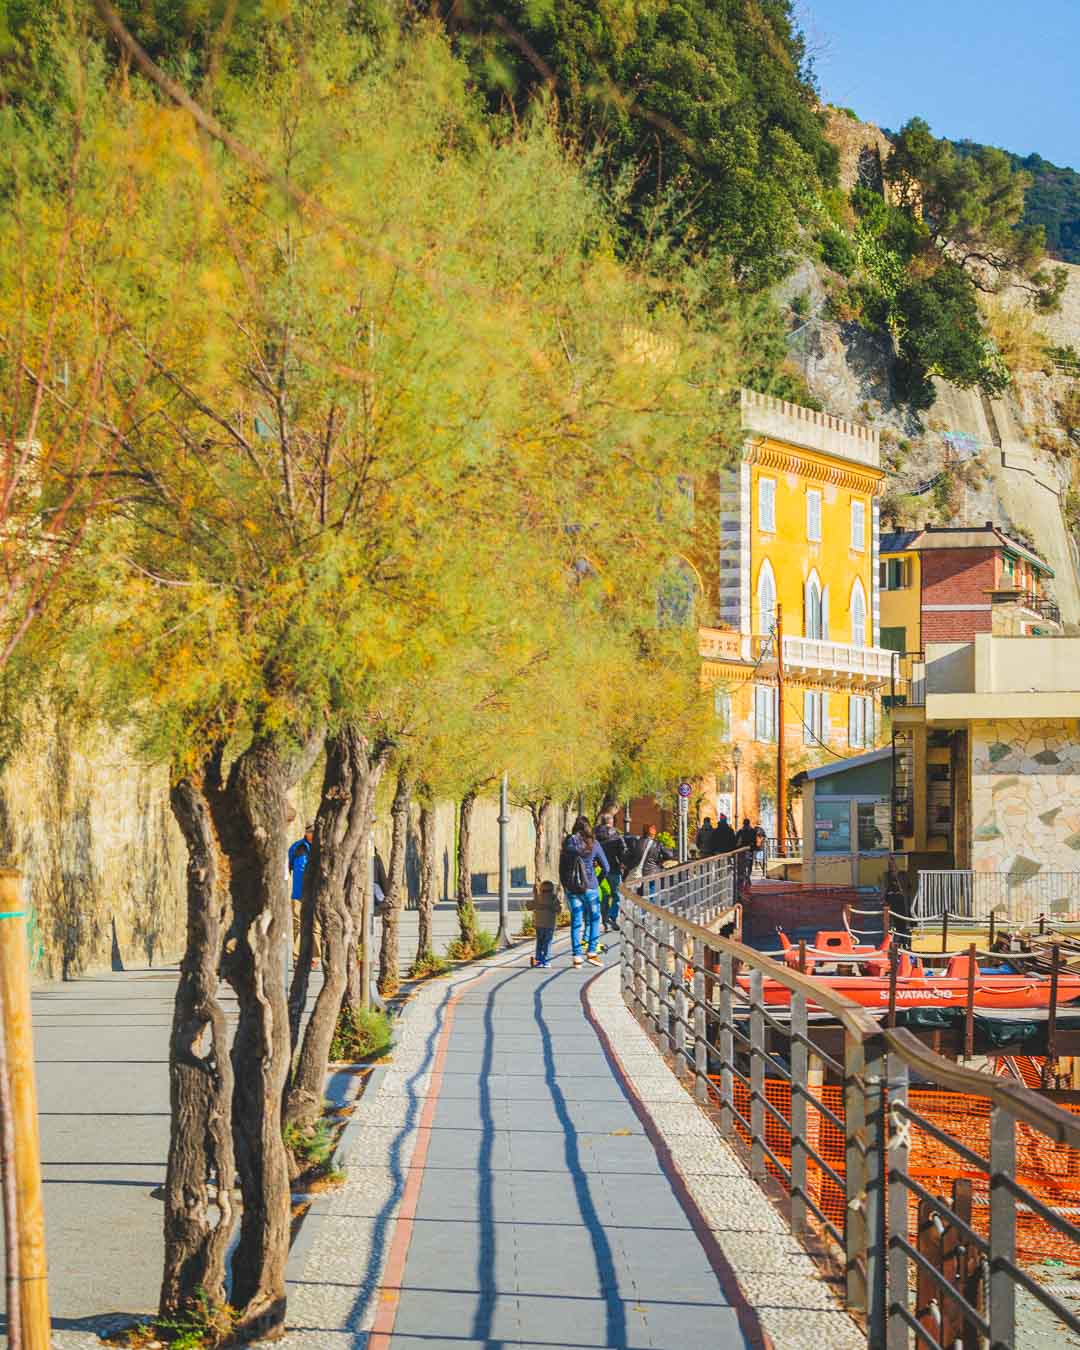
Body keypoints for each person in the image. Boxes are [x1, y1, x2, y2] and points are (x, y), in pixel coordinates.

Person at [559, 816, 610, 968]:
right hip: (591, 887)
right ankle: (592, 952)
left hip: (573, 888)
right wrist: (597, 881)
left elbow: (561, 868)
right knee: (595, 919)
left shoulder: (568, 843)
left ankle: (577, 956)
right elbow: (606, 868)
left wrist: (566, 886)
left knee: (576, 921)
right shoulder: (593, 844)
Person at [595, 813, 626, 932]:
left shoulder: (595, 834)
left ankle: (604, 920)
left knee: (604, 895)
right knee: (617, 894)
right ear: (611, 821)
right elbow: (623, 850)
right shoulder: (616, 834)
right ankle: (611, 916)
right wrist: (623, 863)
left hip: (599, 869)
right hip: (614, 868)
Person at [288, 823, 314, 958]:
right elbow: (287, 866)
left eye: (314, 831)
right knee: (298, 923)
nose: (312, 834)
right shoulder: (297, 847)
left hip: (315, 893)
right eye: (310, 831)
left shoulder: (322, 848)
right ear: (306, 832)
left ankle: (315, 956)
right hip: (298, 892)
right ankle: (297, 957)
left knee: (316, 926)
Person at [526, 881, 561, 968]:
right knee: (547, 942)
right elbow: (558, 910)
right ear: (552, 889)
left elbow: (529, 906)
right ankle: (546, 961)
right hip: (550, 925)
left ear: (541, 889)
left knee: (539, 942)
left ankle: (538, 959)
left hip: (539, 924)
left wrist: (533, 895)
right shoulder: (554, 898)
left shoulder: (538, 898)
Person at [735, 816, 757, 885]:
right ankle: (747, 877)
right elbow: (755, 842)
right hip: (750, 851)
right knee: (749, 865)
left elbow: (736, 841)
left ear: (743, 824)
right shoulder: (753, 831)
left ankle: (744, 878)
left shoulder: (740, 832)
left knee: (742, 866)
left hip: (742, 851)